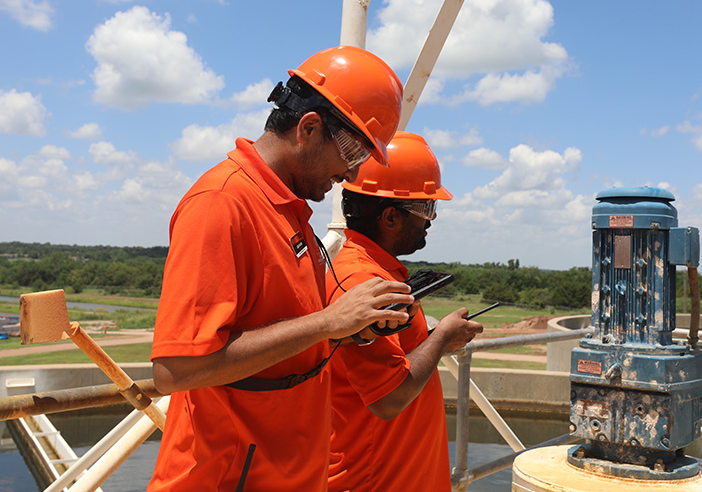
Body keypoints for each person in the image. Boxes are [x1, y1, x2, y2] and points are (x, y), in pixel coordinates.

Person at [147, 46, 417, 492]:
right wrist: (328, 321)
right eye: (351, 152)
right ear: (308, 128)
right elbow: (177, 370)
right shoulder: (223, 204)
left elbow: (282, 328)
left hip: (284, 469)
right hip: (228, 475)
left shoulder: (287, 210)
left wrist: (343, 330)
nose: (350, 174)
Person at [326, 131, 484, 492]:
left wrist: (429, 341)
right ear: (390, 218)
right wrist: (442, 337)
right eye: (425, 208)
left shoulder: (377, 273)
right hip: (374, 478)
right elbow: (388, 398)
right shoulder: (362, 280)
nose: (430, 219)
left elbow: (390, 361)